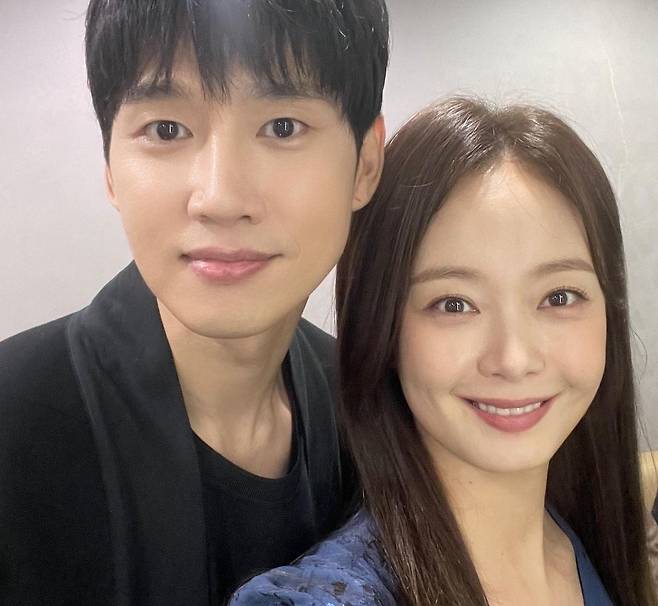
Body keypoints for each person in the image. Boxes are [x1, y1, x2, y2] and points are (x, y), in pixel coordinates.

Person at [0, 1, 388, 604]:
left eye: (282, 126)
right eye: (166, 130)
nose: (220, 197)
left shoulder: (369, 411)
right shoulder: (13, 423)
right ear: (110, 167)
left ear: (365, 163)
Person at [229, 98, 657, 605]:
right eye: (454, 304)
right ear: (383, 328)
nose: (514, 359)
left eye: (559, 297)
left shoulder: (587, 536)